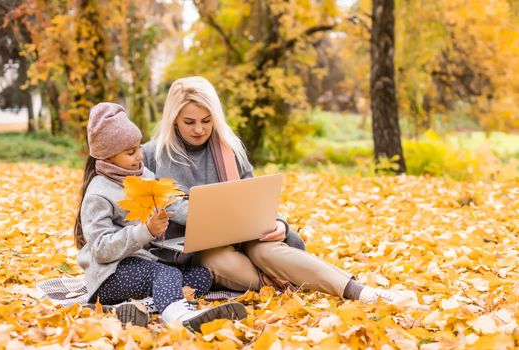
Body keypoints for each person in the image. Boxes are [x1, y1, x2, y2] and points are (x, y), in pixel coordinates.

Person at [142, 76, 418, 305]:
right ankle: (286, 280)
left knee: (269, 252)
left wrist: (279, 224)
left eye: (206, 120)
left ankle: (364, 293)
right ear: (173, 119)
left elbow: (257, 196)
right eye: (189, 122)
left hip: (244, 233)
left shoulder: (229, 148)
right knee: (222, 261)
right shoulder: (153, 155)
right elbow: (153, 202)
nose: (200, 129)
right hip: (195, 247)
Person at [73, 102, 246, 331]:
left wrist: (209, 215)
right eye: (131, 152)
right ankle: (179, 316)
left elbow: (171, 202)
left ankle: (136, 307)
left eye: (138, 147)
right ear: (108, 156)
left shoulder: (143, 175)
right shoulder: (99, 193)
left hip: (144, 268)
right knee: (166, 273)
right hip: (110, 275)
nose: (139, 156)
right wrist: (145, 231)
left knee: (201, 276)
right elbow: (101, 249)